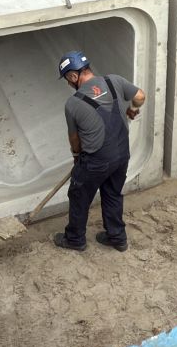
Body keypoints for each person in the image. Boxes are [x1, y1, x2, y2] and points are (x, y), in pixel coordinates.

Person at [53, 50, 146, 252]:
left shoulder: (73, 104)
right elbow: (140, 96)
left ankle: (75, 239)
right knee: (112, 194)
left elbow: (75, 139)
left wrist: (76, 157)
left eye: (68, 79)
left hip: (97, 160)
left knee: (79, 195)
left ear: (73, 76)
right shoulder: (114, 81)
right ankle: (117, 237)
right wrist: (132, 109)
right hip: (122, 154)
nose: (68, 84)